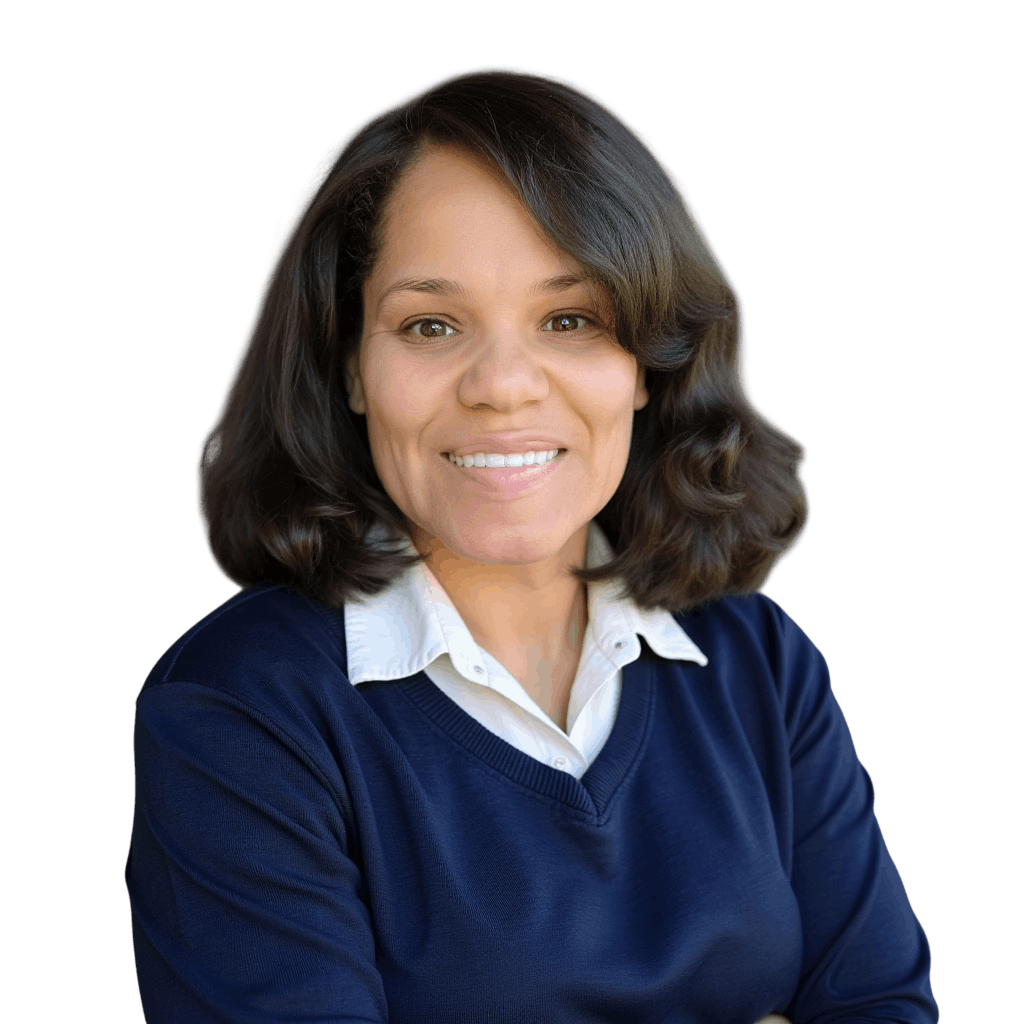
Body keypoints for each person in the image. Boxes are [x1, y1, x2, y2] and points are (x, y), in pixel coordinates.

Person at [125, 66, 938, 1022]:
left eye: (570, 320)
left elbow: (886, 1007)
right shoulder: (240, 709)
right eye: (430, 325)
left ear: (648, 363)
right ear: (349, 366)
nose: (503, 386)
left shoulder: (758, 661)